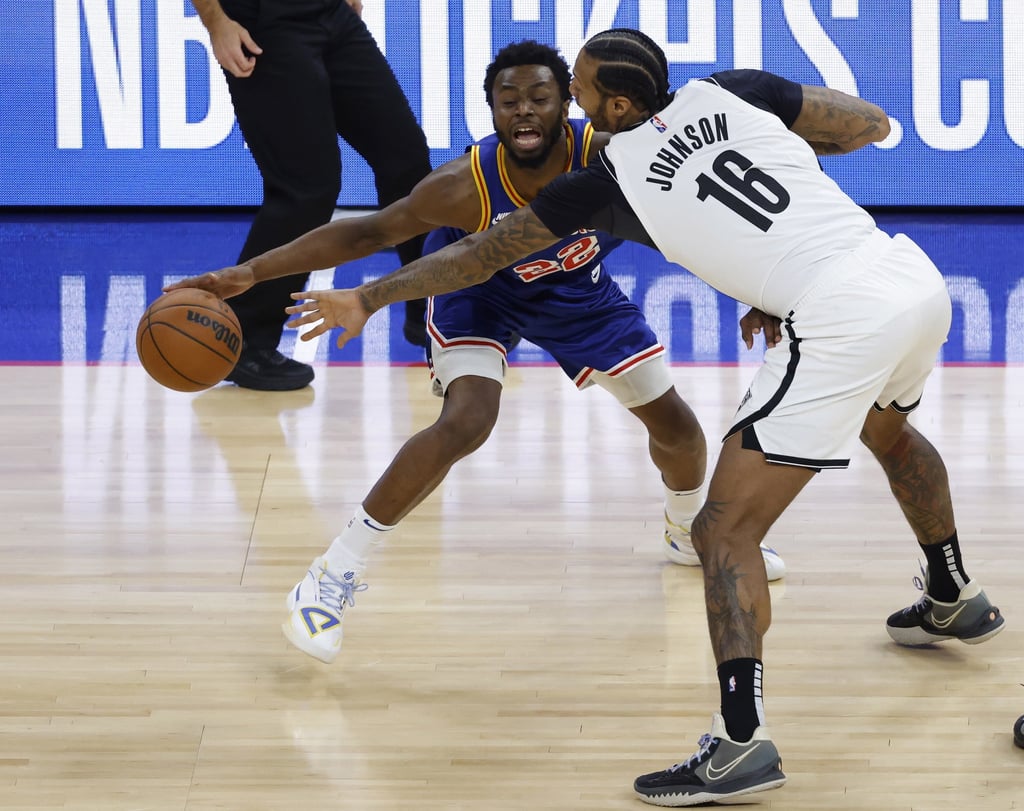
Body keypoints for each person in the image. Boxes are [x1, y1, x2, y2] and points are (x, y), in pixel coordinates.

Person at [281, 28, 1006, 807]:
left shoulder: (605, 178)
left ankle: (739, 744)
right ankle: (952, 594)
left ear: (614, 105)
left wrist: (367, 295)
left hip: (836, 314)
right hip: (906, 277)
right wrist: (780, 152)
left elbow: (479, 255)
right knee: (886, 428)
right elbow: (869, 125)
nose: (575, 106)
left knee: (725, 531)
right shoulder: (733, 90)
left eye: (582, 92)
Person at [167, 38, 787, 657]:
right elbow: (369, 230)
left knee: (681, 432)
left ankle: (685, 530)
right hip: (479, 293)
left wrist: (762, 290)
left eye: (540, 98)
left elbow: (705, 222)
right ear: (489, 110)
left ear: (567, 102)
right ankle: (329, 577)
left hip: (576, 291)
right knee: (466, 420)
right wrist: (250, 274)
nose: (523, 112)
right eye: (507, 100)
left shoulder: (609, 155)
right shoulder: (464, 185)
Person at [191, 0, 432, 390]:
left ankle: (430, 310)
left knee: (406, 160)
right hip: (262, 24)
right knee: (306, 188)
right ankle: (245, 339)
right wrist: (217, 21)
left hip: (331, 14)